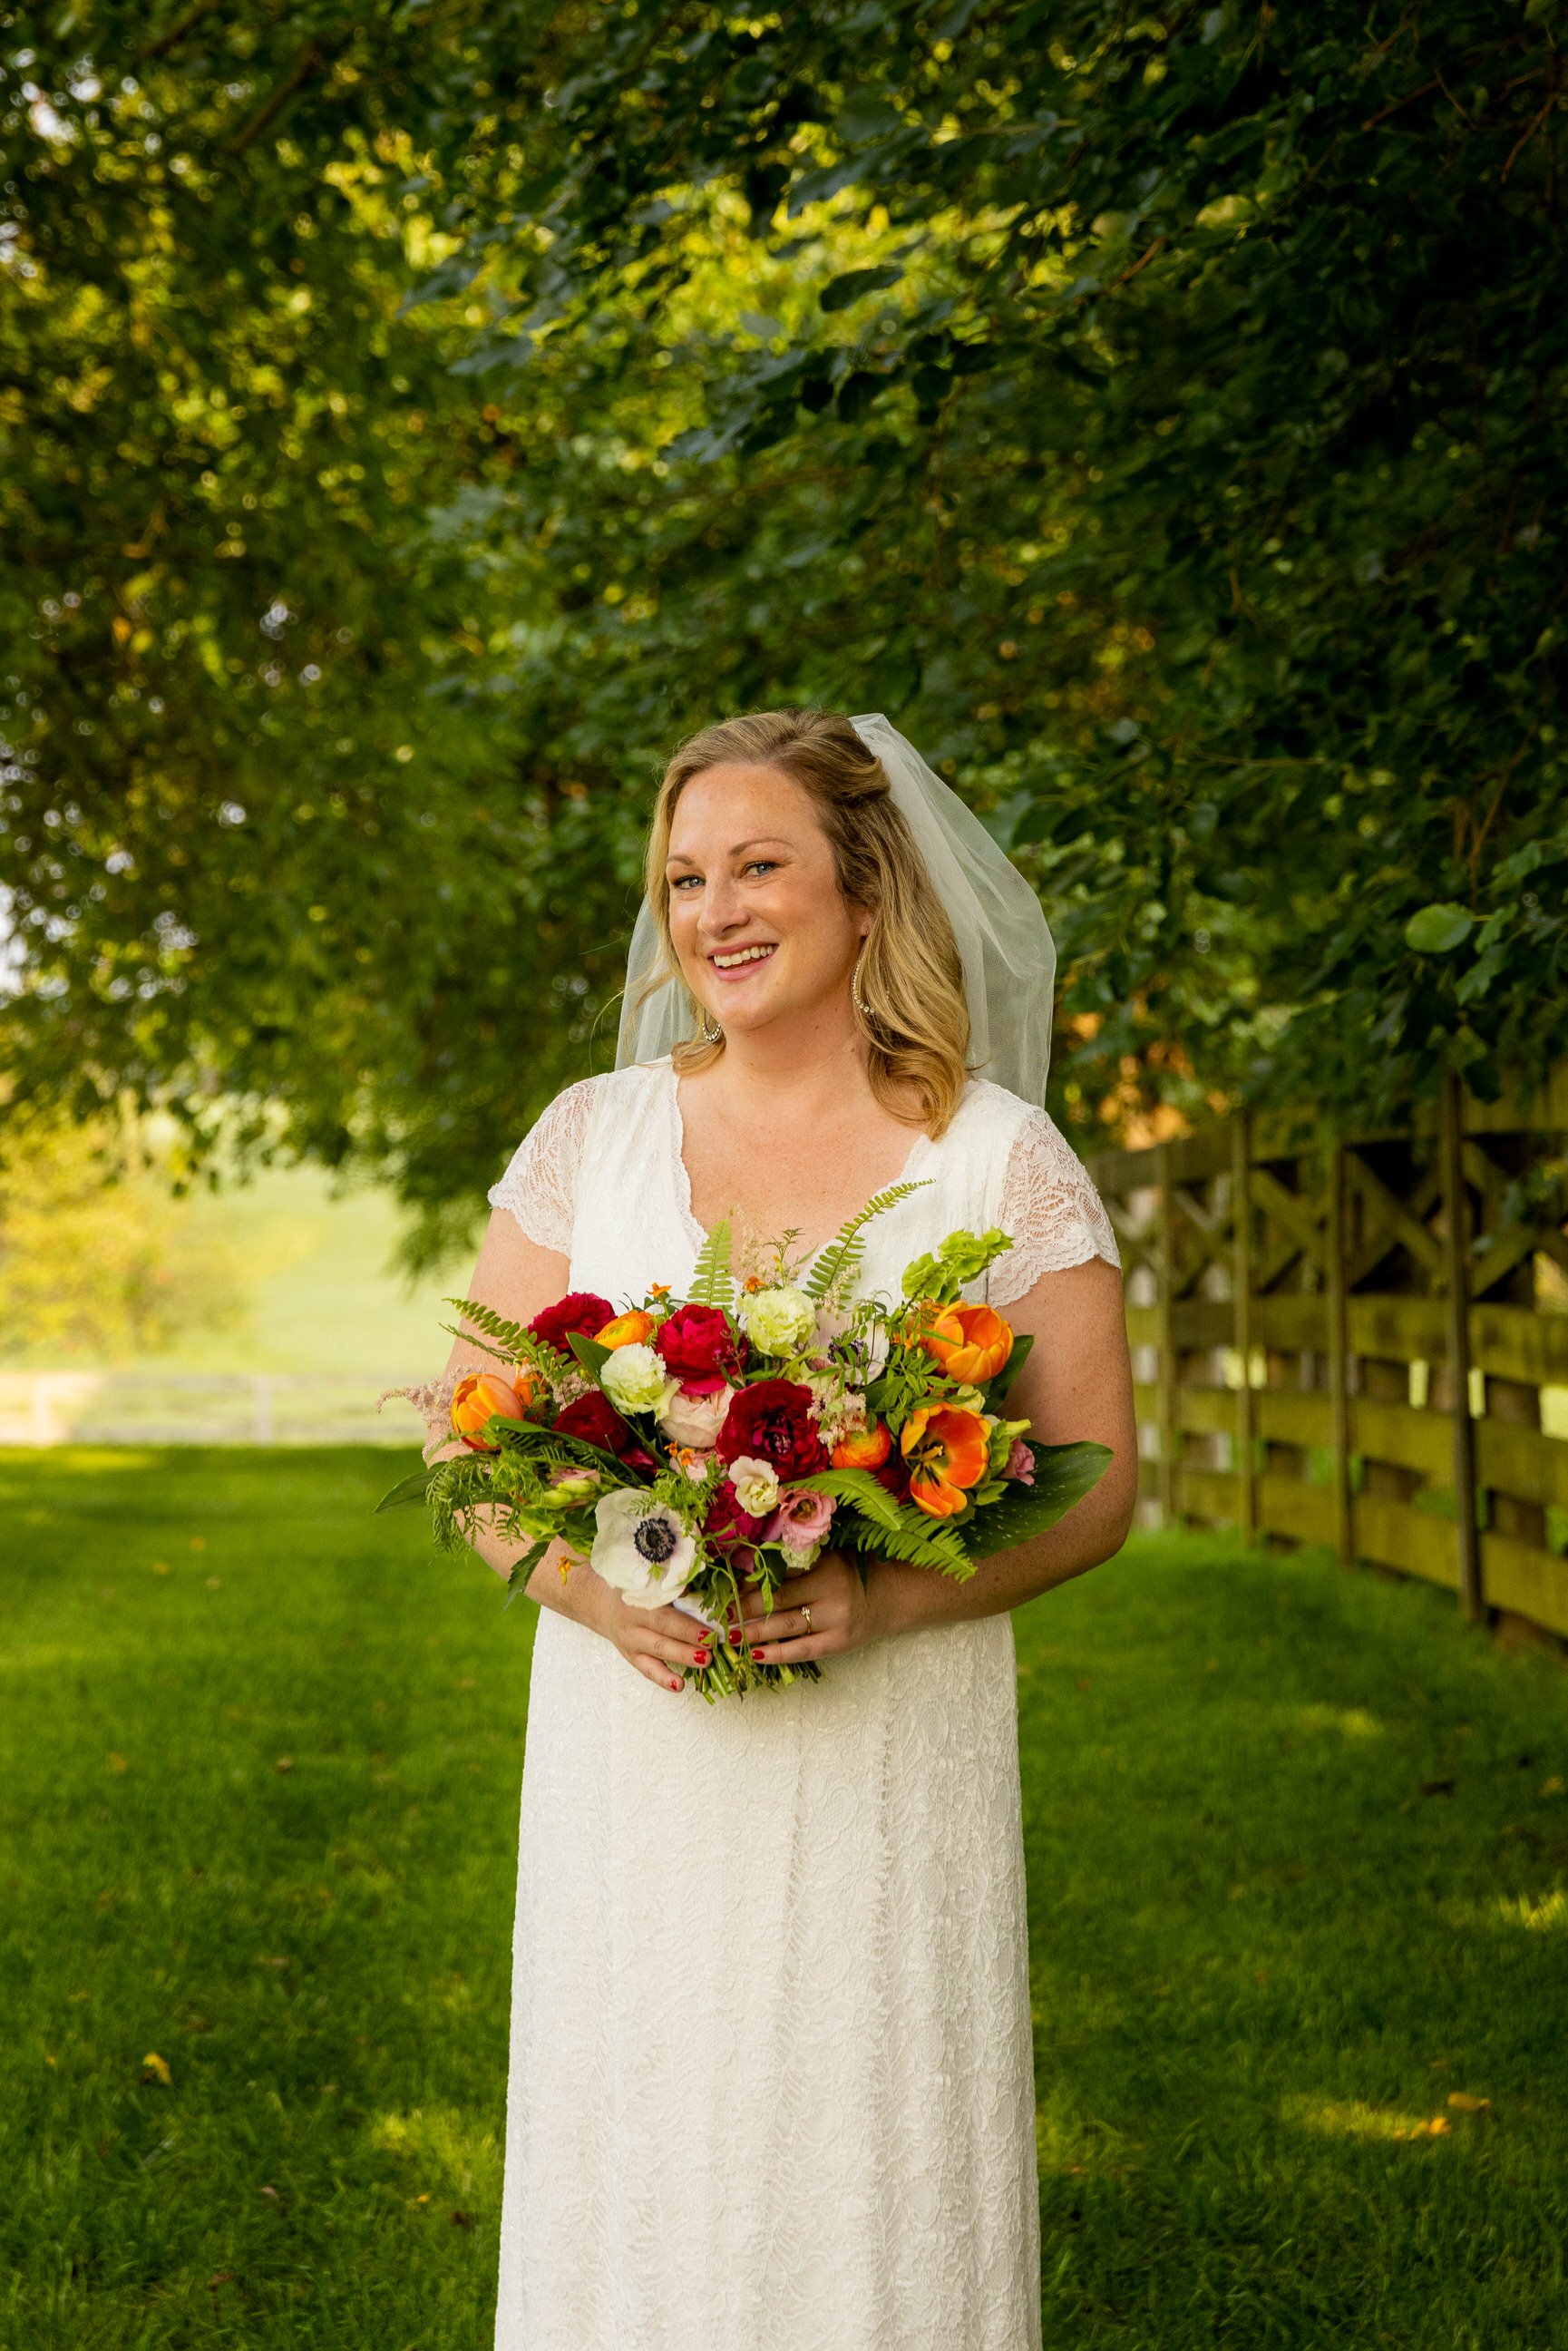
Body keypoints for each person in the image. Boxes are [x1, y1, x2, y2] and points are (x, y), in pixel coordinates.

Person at [436, 708, 1136, 2351]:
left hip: (889, 1745)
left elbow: (1099, 1483)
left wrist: (887, 1601)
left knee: (871, 2127)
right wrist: (586, 1596)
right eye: (686, 877)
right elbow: (469, 1447)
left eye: (760, 865)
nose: (715, 911)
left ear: (867, 891)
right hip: (641, 1742)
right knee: (645, 2119)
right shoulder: (590, 1135)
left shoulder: (991, 1158)